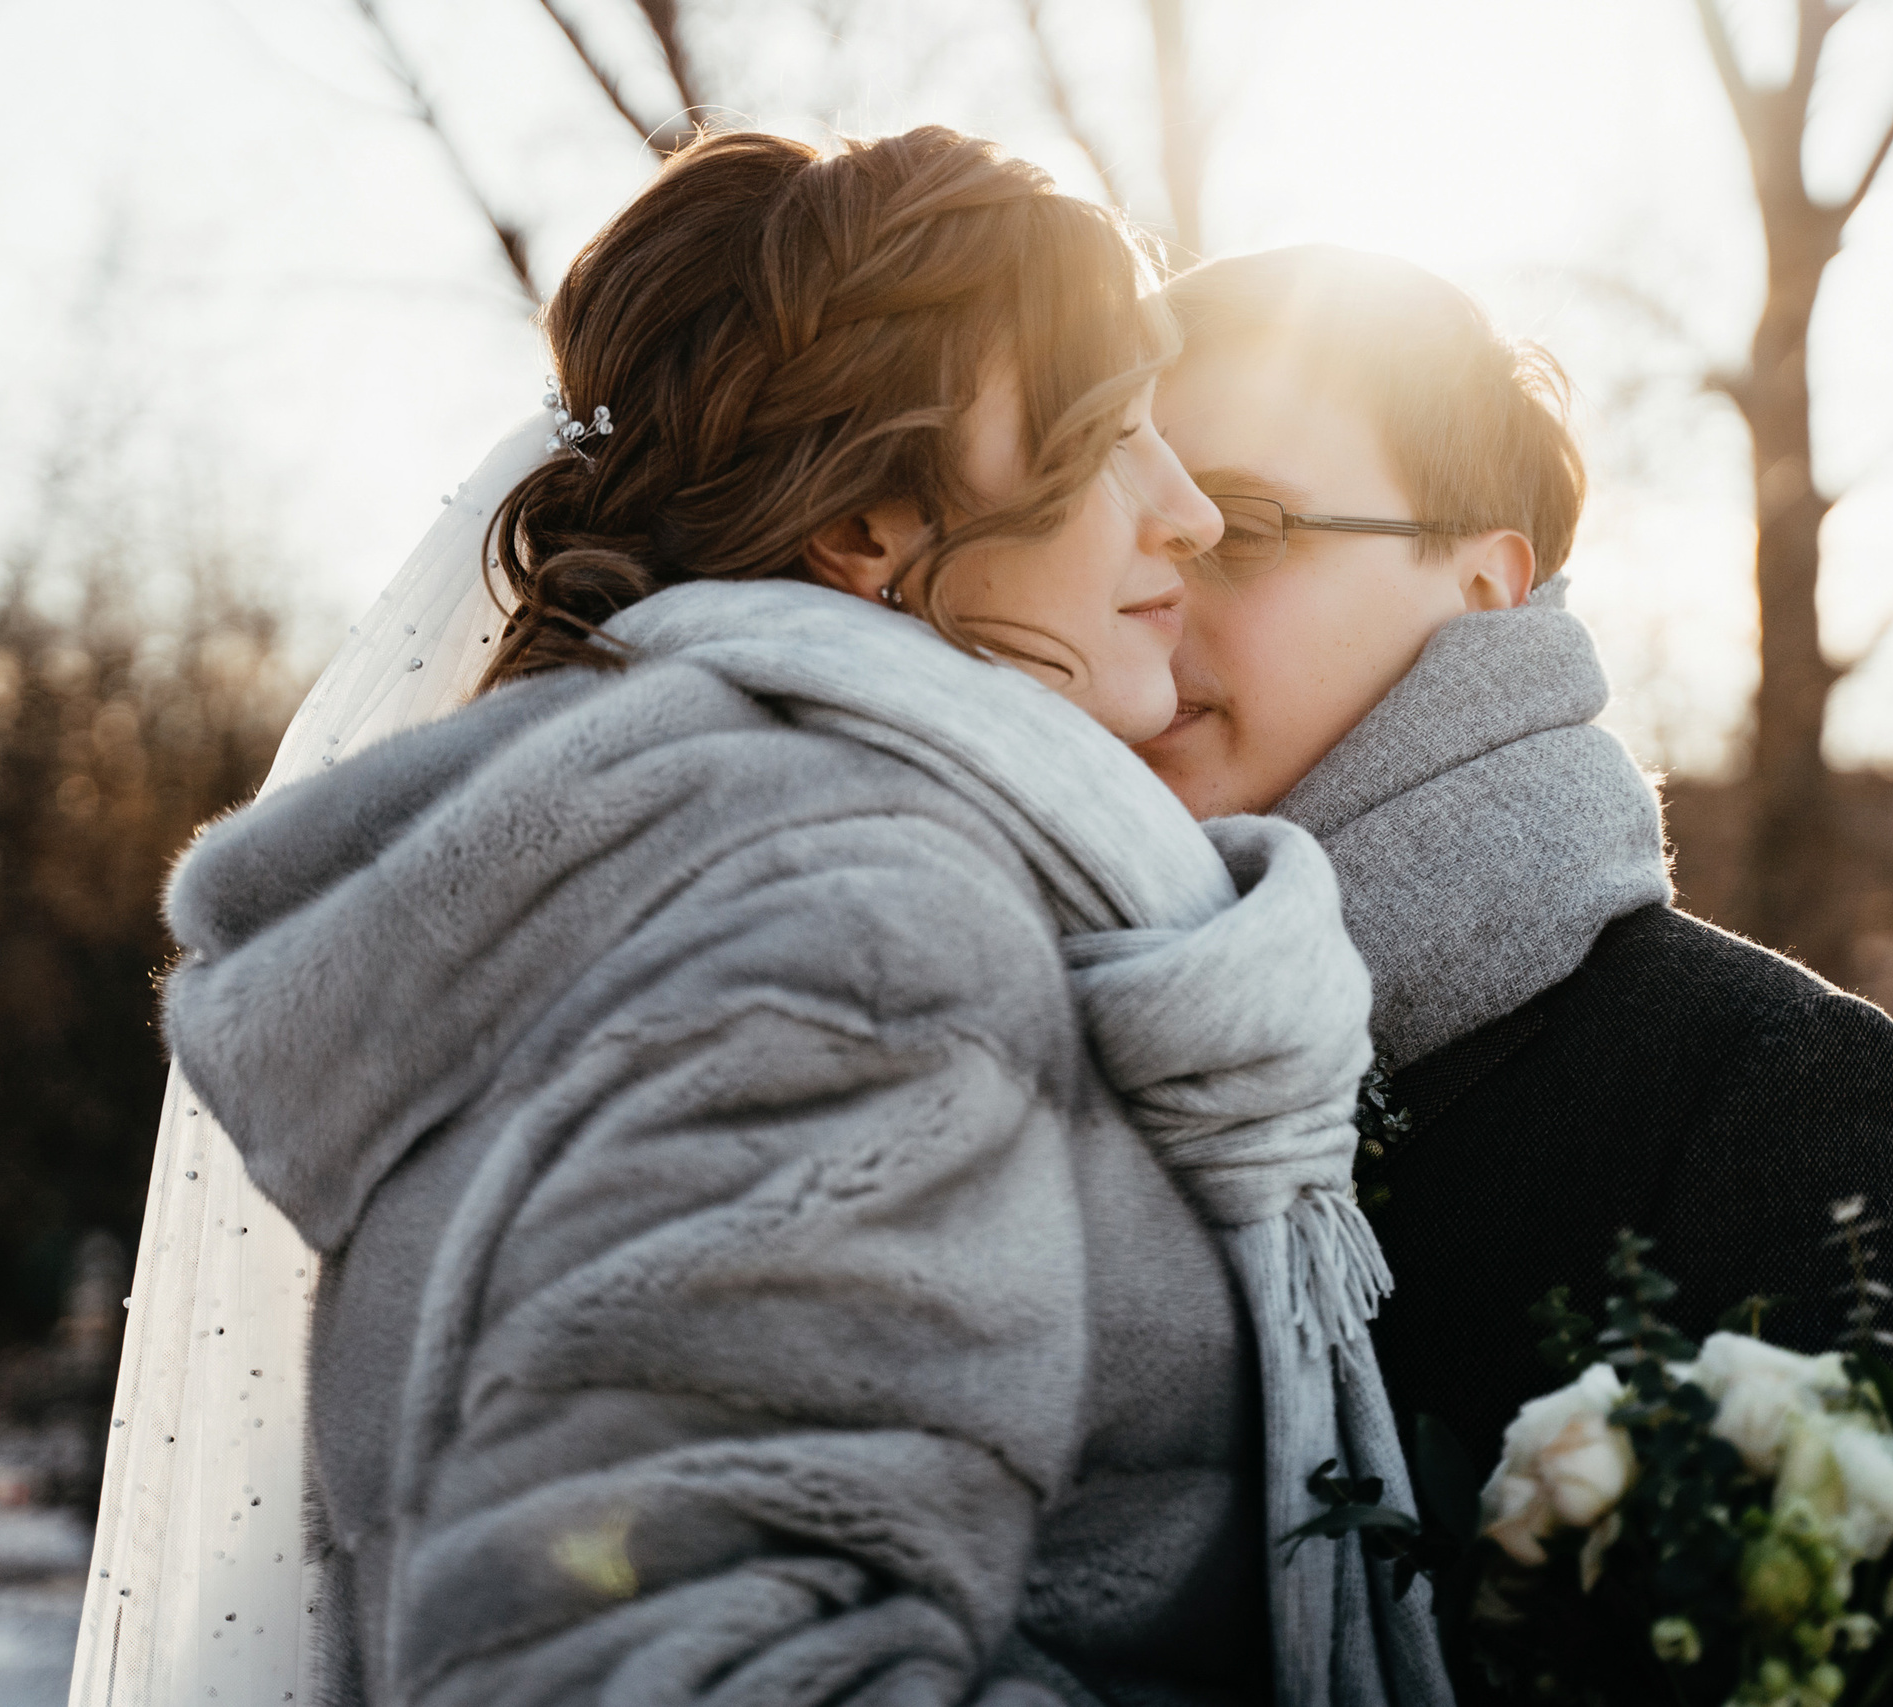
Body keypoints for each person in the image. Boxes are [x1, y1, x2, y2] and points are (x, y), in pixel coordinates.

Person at [151, 138, 1452, 1707]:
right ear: (865, 529)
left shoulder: (683, 868)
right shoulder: (847, 928)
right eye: (1107, 437)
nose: (1179, 511)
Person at [1134, 245, 1893, 1488]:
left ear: (1486, 585)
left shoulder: (1764, 1087)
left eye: (1243, 530)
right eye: (1120, 526)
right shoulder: (1019, 1025)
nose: (1145, 595)